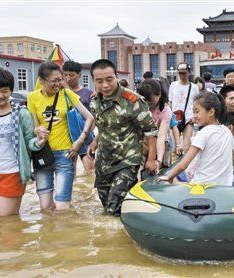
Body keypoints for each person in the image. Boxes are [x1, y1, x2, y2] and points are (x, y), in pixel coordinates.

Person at [0, 68, 47, 216]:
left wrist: (39, 141)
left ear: (11, 90)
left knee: (8, 222)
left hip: (13, 174)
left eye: (5, 91)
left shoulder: (20, 113)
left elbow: (29, 141)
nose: (0, 95)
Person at [88, 59, 158, 216]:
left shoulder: (132, 100)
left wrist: (151, 159)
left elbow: (150, 131)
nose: (105, 85)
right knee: (107, 208)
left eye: (109, 79)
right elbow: (104, 126)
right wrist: (94, 142)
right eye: (99, 81)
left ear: (116, 76)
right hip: (104, 161)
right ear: (94, 81)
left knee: (114, 206)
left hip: (128, 160)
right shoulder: (94, 101)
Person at [28, 62, 94, 211]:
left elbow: (89, 117)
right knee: (45, 208)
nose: (58, 84)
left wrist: (80, 140)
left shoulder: (67, 94)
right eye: (54, 81)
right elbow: (34, 125)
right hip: (43, 154)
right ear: (41, 80)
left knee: (62, 208)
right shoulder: (32, 98)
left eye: (60, 79)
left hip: (65, 154)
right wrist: (38, 130)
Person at [158, 92, 234, 185]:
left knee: (173, 181)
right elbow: (232, 160)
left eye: (197, 111)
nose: (194, 116)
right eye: (193, 112)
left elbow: (184, 165)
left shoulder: (204, 133)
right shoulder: (227, 131)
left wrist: (168, 177)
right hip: (224, 186)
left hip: (202, 186)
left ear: (211, 112)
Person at [138, 78, 179, 169]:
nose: (148, 104)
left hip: (159, 145)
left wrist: (159, 161)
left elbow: (161, 136)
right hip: (141, 144)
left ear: (159, 94)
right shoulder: (137, 105)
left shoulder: (165, 110)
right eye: (145, 101)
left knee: (160, 171)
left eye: (150, 101)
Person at [62, 61, 95, 172]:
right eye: (65, 75)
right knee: (70, 171)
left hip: (86, 138)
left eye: (71, 75)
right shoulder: (61, 93)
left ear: (79, 75)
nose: (68, 78)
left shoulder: (88, 93)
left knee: (90, 170)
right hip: (67, 137)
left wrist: (85, 135)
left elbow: (93, 117)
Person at [168, 62, 199, 153]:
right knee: (173, 148)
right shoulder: (173, 85)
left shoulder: (194, 87)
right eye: (180, 73)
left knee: (186, 147)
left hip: (188, 119)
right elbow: (170, 101)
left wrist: (194, 117)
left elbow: (197, 104)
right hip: (174, 119)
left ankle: (184, 166)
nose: (182, 75)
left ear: (189, 72)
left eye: (184, 73)